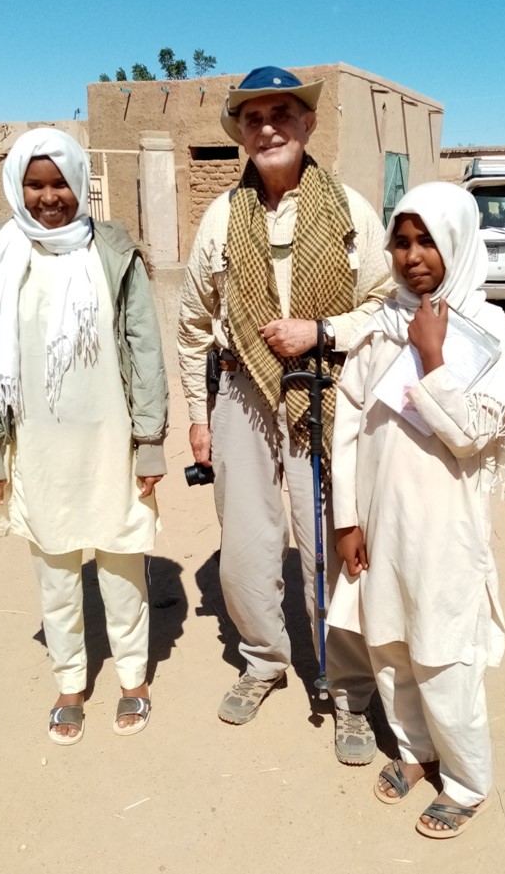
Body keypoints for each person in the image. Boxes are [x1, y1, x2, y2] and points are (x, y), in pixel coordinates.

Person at [177, 66, 391, 764]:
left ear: (307, 125)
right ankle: (264, 659)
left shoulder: (350, 211)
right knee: (243, 542)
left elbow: (388, 305)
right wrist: (198, 415)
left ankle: (347, 688)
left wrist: (321, 329)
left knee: (332, 537)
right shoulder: (220, 218)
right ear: (240, 133)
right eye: (252, 117)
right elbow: (190, 327)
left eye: (281, 114)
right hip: (241, 393)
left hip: (324, 393)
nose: (267, 126)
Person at [0, 128, 168, 746]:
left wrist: (149, 438)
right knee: (55, 574)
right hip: (39, 445)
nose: (48, 198)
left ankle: (133, 680)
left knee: (121, 566)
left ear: (79, 183)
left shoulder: (111, 251)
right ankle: (70, 683)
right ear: (17, 187)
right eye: (35, 184)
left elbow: (142, 346)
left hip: (111, 440)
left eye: (59, 184)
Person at [331, 181, 505, 836]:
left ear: (458, 243)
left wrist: (436, 354)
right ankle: (416, 749)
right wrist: (347, 518)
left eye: (429, 241)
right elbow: (350, 417)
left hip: (446, 528)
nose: (413, 256)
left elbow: (473, 432)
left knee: (443, 653)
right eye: (402, 241)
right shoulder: (383, 324)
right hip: (382, 523)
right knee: (389, 642)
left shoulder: (485, 329)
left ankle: (467, 779)